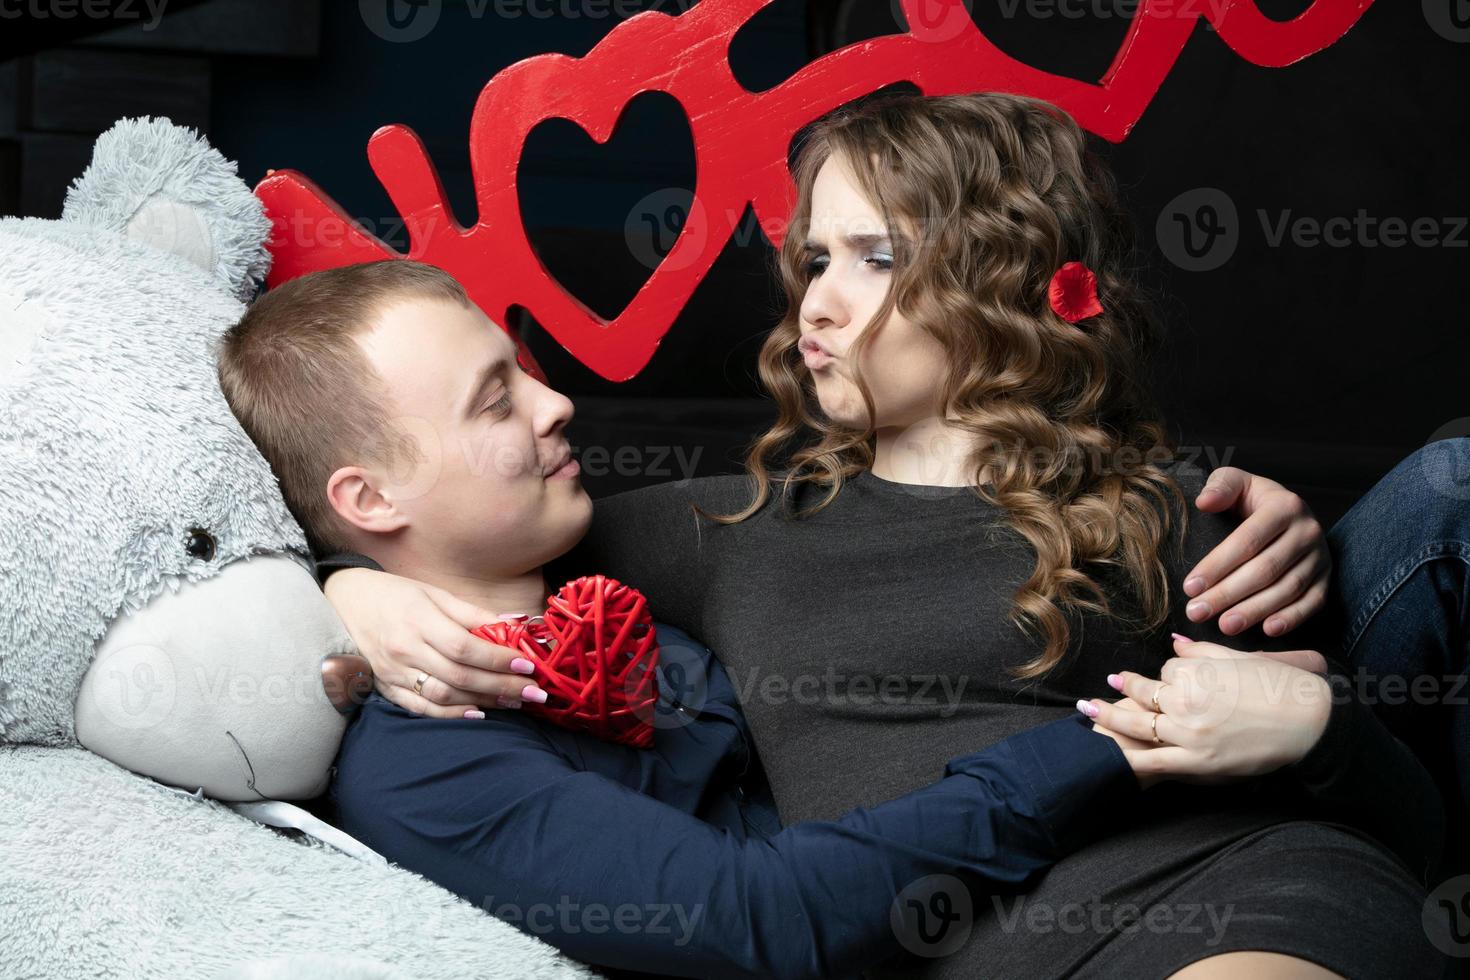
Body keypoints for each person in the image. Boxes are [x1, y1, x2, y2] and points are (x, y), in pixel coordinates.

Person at [302, 94, 1449, 978]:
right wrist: (350, 586)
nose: (819, 302)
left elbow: (1420, 831)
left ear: (997, 275)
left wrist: (1323, 728)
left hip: (1248, 887)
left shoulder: (1176, 510)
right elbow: (455, 539)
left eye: (878, 257)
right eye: (813, 258)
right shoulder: (729, 525)